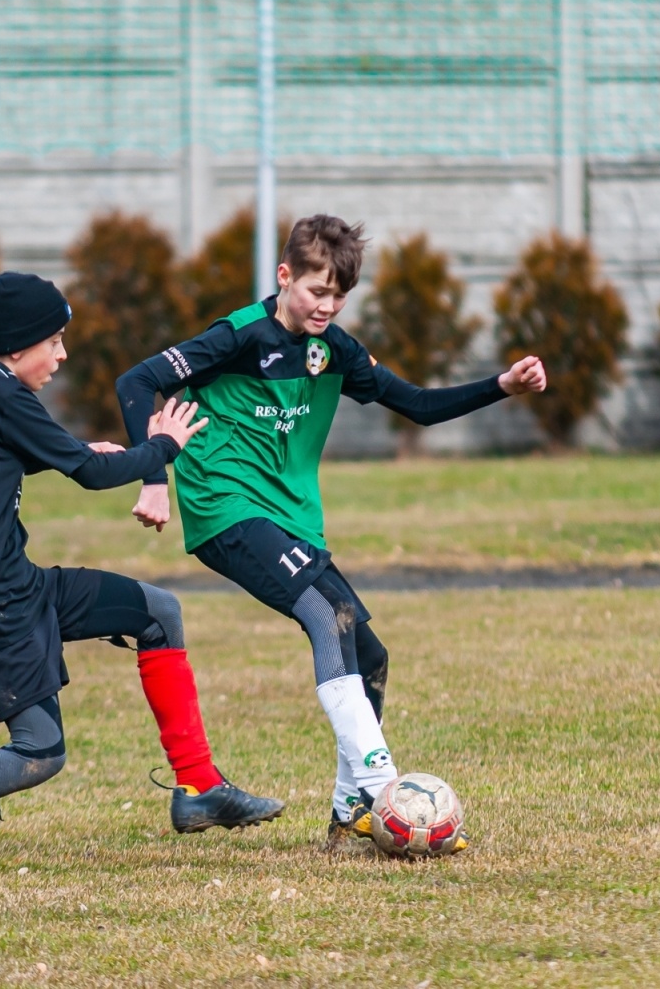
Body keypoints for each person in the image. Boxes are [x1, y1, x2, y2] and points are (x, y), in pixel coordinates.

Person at [115, 215, 546, 848]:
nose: (328, 306)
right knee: (329, 613)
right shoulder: (236, 336)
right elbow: (137, 381)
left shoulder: (334, 350)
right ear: (285, 276)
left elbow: (419, 406)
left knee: (370, 654)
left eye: (339, 296)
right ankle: (386, 790)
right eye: (317, 291)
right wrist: (153, 477)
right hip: (227, 510)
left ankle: (348, 812)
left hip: (291, 521)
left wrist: (502, 386)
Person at [0, 272, 283, 884]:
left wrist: (85, 449)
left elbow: (16, 457)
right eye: (55, 340)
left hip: (15, 586)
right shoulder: (2, 397)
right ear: (18, 347)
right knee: (39, 752)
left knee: (159, 612)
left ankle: (199, 787)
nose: (63, 354)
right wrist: (163, 446)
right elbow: (90, 476)